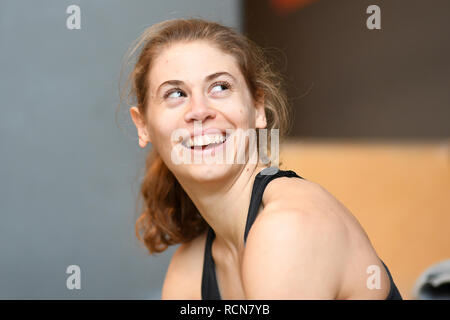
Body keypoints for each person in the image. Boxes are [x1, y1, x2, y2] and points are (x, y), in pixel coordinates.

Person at [122, 18, 402, 300]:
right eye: (176, 93)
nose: (199, 110)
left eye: (220, 87)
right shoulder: (190, 269)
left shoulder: (287, 229)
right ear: (143, 125)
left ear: (257, 107)